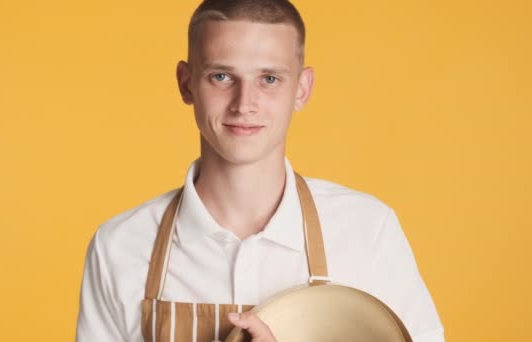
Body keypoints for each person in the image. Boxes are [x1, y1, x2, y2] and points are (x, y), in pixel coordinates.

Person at [75, 0, 445, 341]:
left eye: (269, 79)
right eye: (221, 76)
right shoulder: (119, 246)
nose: (244, 103)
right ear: (186, 83)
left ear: (302, 89)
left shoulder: (367, 230)